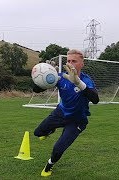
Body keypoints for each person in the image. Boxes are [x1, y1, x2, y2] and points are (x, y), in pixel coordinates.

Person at [33, 49, 99, 177]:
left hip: (77, 120)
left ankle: (49, 165)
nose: (70, 63)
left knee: (59, 148)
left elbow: (95, 99)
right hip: (60, 114)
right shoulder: (61, 76)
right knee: (38, 133)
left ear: (82, 64)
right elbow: (36, 89)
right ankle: (50, 130)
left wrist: (78, 83)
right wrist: (46, 75)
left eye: (74, 61)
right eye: (68, 61)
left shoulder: (86, 80)